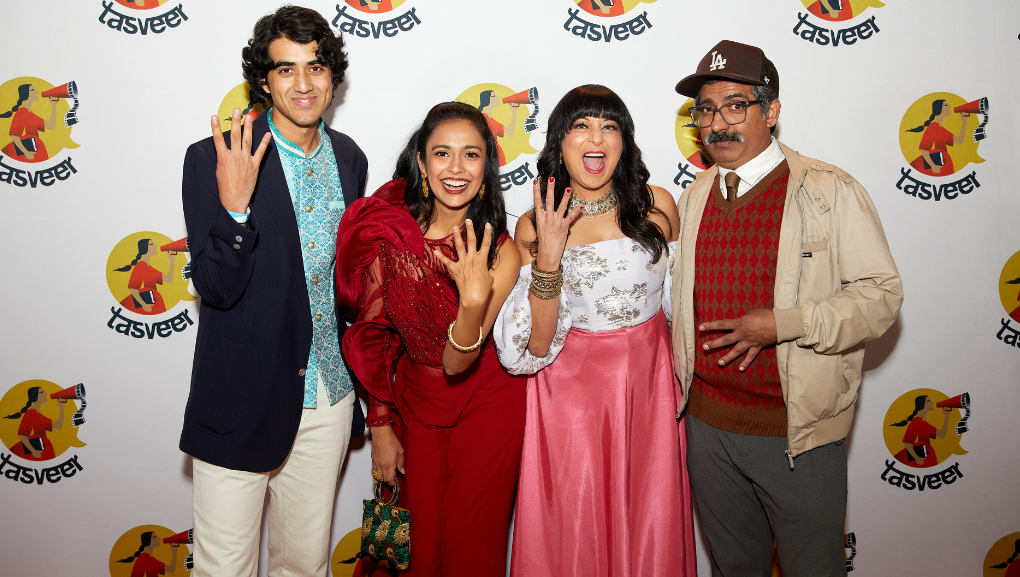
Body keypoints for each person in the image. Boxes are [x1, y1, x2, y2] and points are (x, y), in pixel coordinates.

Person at [672, 40, 903, 577]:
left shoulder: (830, 190)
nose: (717, 123)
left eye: (735, 105)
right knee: (734, 568)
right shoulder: (694, 195)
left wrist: (786, 323)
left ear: (770, 111)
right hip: (707, 429)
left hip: (796, 432)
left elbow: (881, 297)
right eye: (705, 109)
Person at [178, 7, 367, 577]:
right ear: (263, 81)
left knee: (305, 566)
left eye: (316, 67)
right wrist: (235, 208)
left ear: (333, 75)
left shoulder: (350, 158)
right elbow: (215, 287)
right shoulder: (213, 157)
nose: (304, 84)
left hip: (326, 396)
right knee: (224, 569)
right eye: (286, 70)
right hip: (240, 394)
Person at [493, 84, 696, 576]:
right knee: (574, 520)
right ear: (559, 143)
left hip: (650, 385)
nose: (595, 138)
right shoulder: (534, 223)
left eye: (609, 126)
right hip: (569, 395)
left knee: (650, 515)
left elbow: (682, 305)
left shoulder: (659, 205)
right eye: (580, 125)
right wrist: (548, 253)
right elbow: (529, 349)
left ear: (624, 140)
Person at [335, 101, 525, 577]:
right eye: (442, 154)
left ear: (487, 166)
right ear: (421, 162)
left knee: (470, 546)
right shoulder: (388, 235)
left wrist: (472, 299)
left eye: (471, 155)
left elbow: (460, 363)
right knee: (413, 550)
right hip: (415, 402)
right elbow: (372, 334)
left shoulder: (501, 251)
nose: (456, 169)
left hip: (487, 403)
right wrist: (380, 427)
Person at [906, 99, 971, 177]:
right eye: (946, 105)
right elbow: (923, 150)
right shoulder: (933, 127)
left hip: (943, 165)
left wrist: (964, 121)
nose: (950, 107)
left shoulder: (941, 129)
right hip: (934, 167)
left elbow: (959, 141)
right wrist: (933, 166)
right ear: (939, 109)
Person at [0, 83, 59, 163]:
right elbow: (14, 136)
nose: (36, 92)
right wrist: (26, 152)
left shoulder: (31, 114)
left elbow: (51, 126)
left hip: (34, 152)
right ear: (25, 94)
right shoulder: (21, 112)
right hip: (25, 155)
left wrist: (53, 106)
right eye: (32, 90)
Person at [114, 239, 177, 315]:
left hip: (153, 304)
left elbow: (169, 279)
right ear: (145, 248)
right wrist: (144, 304)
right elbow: (133, 289)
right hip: (144, 307)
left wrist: (172, 259)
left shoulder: (149, 267)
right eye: (151, 244)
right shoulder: (140, 266)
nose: (155, 246)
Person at [890, 395, 954, 468]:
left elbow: (942, 434)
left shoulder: (925, 423)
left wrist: (946, 416)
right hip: (918, 460)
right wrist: (916, 458)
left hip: (926, 457)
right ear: (922, 404)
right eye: (928, 401)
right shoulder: (916, 421)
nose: (932, 402)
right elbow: (907, 443)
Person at [4, 386, 67, 461]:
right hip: (34, 453)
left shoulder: (39, 414)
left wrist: (62, 407)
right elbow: (22, 436)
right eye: (42, 392)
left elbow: (58, 426)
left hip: (42, 450)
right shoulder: (30, 413)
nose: (46, 394)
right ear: (35, 396)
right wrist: (33, 451)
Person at [477, 90, 519, 167]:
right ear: (487, 100)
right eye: (494, 96)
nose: (497, 98)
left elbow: (510, 131)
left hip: (495, 157)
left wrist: (514, 112)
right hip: (489, 158)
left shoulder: (491, 120)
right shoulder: (481, 119)